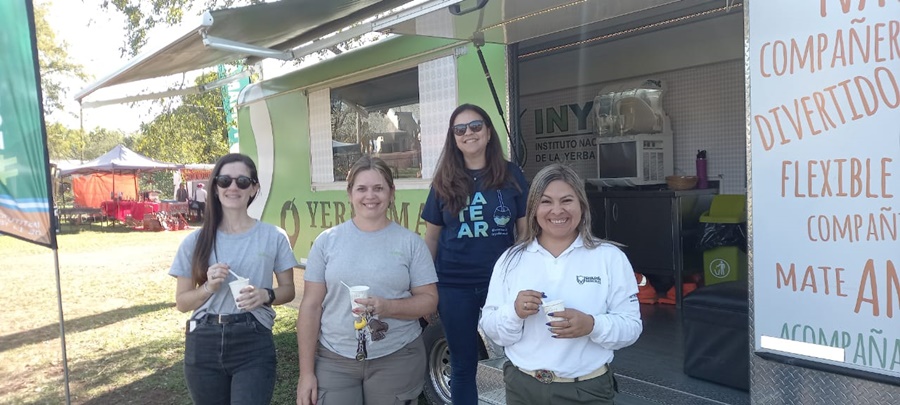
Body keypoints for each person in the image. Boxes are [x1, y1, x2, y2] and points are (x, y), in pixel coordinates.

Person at [479, 164, 642, 405]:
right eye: (546, 202)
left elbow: (631, 327)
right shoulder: (512, 260)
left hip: (587, 391)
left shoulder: (608, 257)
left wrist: (592, 325)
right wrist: (513, 312)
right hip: (523, 389)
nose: (557, 211)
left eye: (567, 200)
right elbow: (491, 328)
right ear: (533, 207)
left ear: (581, 206)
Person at [297, 156, 438, 405]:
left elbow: (429, 301)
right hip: (334, 358)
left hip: (397, 356)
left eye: (378, 188)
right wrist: (306, 373)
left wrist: (388, 307)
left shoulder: (410, 243)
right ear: (350, 193)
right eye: (361, 188)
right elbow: (310, 307)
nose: (370, 196)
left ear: (391, 193)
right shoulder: (327, 242)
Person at [421, 103, 529, 404]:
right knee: (463, 363)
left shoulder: (511, 174)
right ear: (453, 138)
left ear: (488, 131)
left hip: (502, 283)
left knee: (520, 354)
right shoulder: (443, 180)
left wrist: (522, 275)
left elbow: (524, 233)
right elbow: (431, 239)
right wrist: (424, 287)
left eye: (475, 126)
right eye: (460, 129)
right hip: (454, 284)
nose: (468, 133)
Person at [169, 153, 298, 405]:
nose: (233, 187)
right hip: (204, 339)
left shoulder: (274, 236)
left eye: (242, 181)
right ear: (215, 188)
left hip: (253, 338)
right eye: (225, 180)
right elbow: (182, 303)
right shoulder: (195, 241)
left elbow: (289, 290)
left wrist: (266, 295)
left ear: (254, 189)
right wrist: (208, 287)